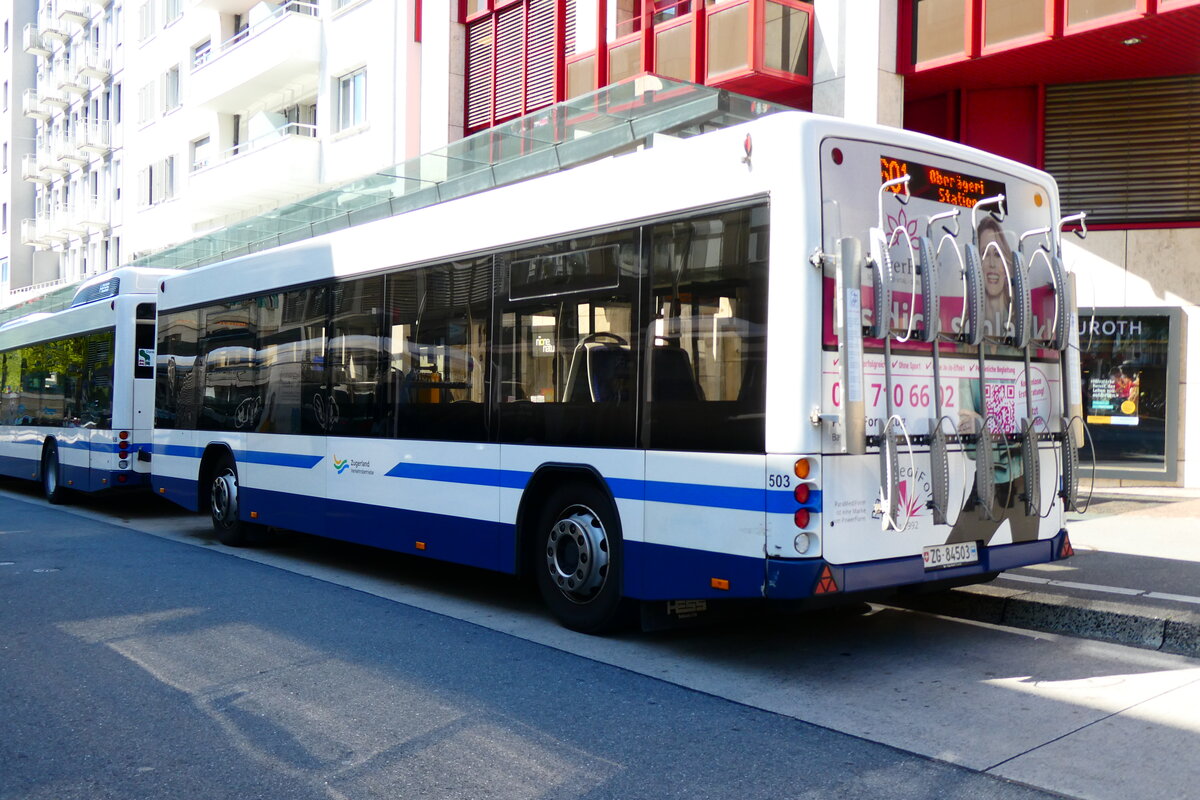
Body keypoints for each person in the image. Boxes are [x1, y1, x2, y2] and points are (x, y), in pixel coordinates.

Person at [977, 215, 1012, 341]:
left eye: (997, 254)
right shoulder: (964, 329)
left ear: (1006, 263)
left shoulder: (1022, 327)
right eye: (985, 254)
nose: (992, 263)